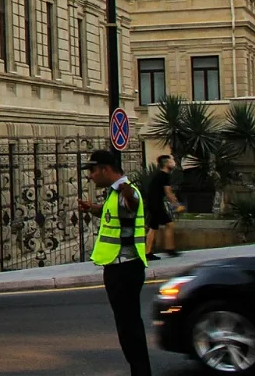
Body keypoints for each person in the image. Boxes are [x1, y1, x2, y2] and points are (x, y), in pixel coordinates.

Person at [77, 149, 151, 376]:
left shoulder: (125, 192)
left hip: (124, 269)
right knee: (127, 326)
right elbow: (117, 216)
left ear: (105, 169)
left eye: (92, 170)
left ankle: (141, 373)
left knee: (129, 328)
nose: (90, 176)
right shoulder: (112, 195)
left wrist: (126, 189)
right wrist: (94, 209)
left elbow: (132, 202)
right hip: (119, 267)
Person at [144, 155, 185, 259]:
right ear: (166, 163)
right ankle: (167, 250)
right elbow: (168, 193)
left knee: (154, 227)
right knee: (166, 225)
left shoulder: (160, 175)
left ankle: (151, 251)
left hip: (153, 203)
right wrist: (177, 206)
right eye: (171, 161)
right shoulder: (164, 175)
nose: (173, 163)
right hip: (156, 204)